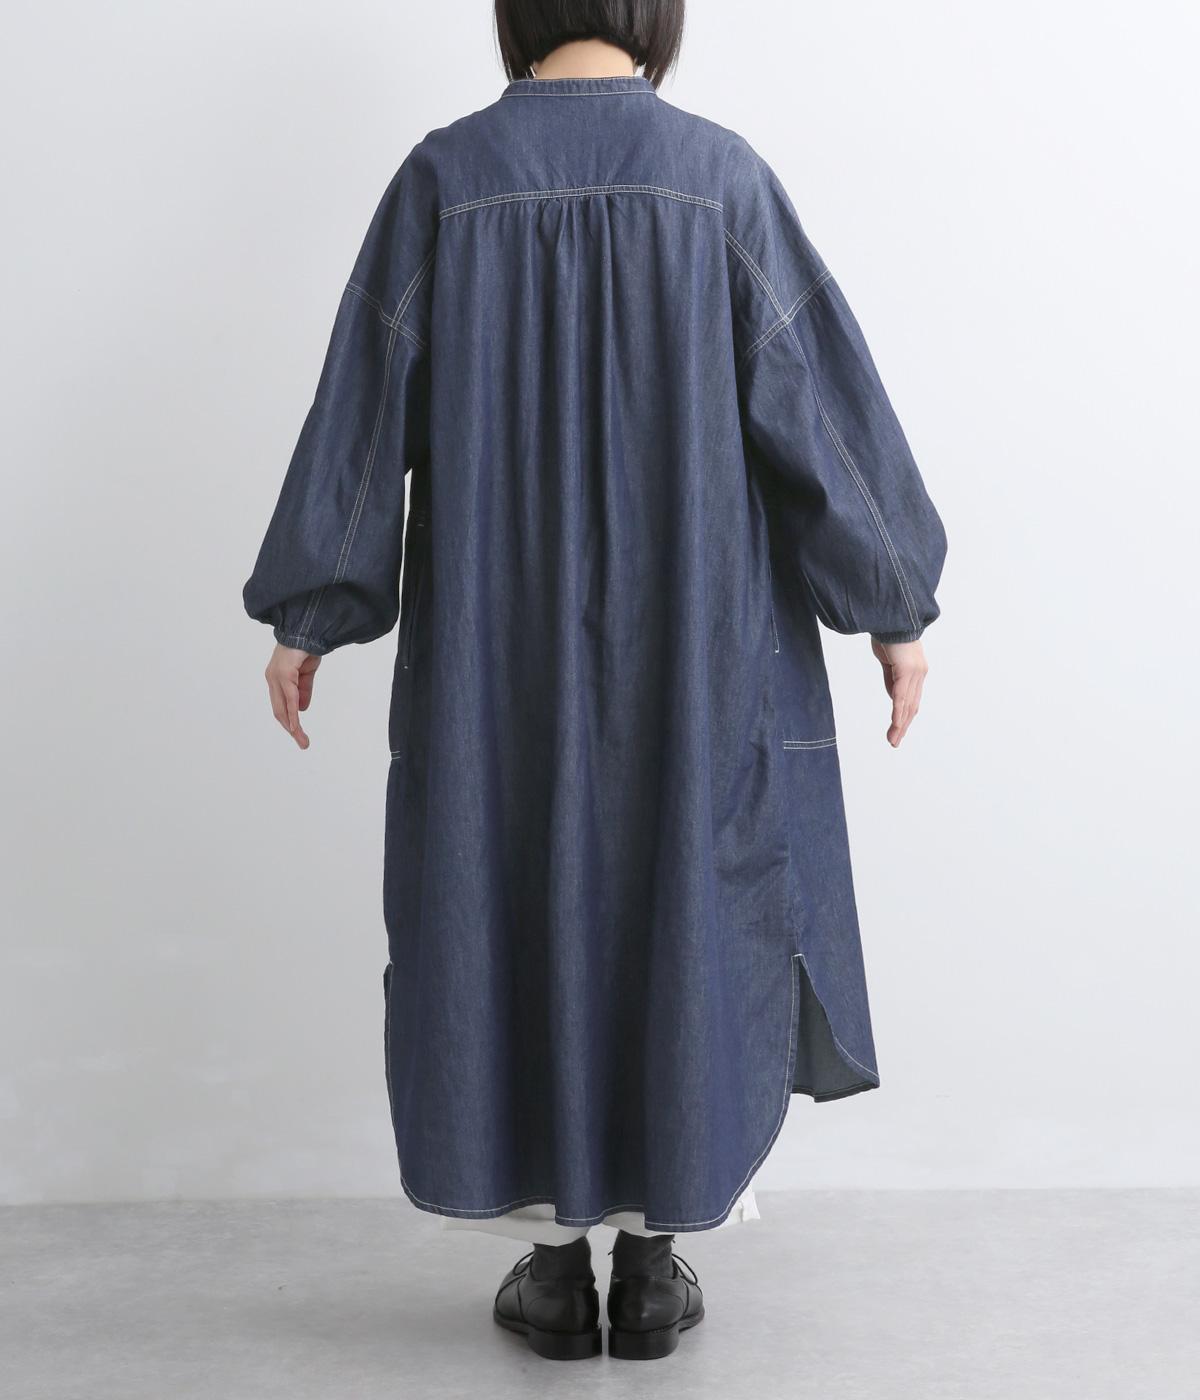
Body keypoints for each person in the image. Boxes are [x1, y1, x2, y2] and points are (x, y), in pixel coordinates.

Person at [242, 0, 947, 1364]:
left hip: (491, 659)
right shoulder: (720, 179)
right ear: (654, 15)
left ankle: (556, 1273)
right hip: (697, 649)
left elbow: (363, 409)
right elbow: (816, 407)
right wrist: (892, 607)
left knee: (507, 898)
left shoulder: (444, 179)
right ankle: (656, 1266)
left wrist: (309, 615)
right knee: (687, 899)